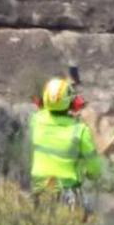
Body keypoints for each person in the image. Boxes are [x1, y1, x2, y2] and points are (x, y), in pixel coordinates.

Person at [30, 75, 102, 203]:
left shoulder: (36, 121)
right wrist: (90, 173)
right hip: (67, 194)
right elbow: (94, 169)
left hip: (40, 192)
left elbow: (44, 111)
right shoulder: (80, 130)